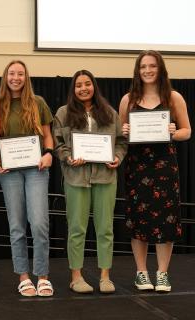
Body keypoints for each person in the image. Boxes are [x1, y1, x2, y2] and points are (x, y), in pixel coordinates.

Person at [119, 50, 191, 293]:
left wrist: (173, 131)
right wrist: (125, 132)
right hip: (137, 167)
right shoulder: (127, 99)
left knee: (166, 219)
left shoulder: (173, 98)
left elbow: (187, 131)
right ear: (137, 71)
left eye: (152, 66)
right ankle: (141, 272)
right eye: (143, 67)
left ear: (160, 69)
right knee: (138, 218)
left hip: (164, 167)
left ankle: (162, 273)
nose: (147, 70)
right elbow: (120, 135)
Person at [53, 70, 127, 294]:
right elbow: (57, 144)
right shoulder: (64, 113)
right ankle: (76, 276)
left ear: (94, 86)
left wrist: (117, 157)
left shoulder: (110, 112)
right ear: (73, 89)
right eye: (78, 85)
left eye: (87, 84)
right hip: (76, 178)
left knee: (105, 228)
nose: (83, 88)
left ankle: (105, 276)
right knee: (77, 228)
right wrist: (68, 157)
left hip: (105, 177)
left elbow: (121, 142)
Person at [0, 60, 54, 297]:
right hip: (9, 171)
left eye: (20, 73)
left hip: (36, 169)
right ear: (5, 76)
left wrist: (49, 154)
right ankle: (23, 276)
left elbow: (48, 136)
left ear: (26, 77)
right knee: (17, 225)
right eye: (11, 73)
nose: (16, 77)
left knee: (39, 223)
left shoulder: (38, 102)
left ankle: (43, 276)